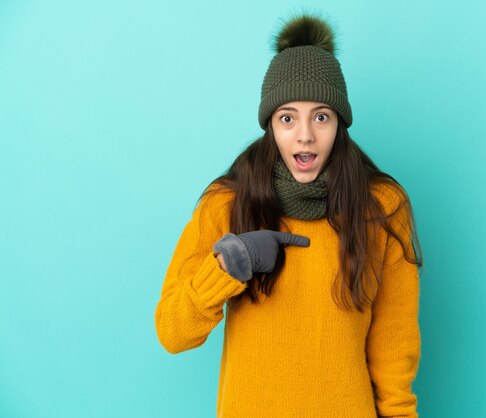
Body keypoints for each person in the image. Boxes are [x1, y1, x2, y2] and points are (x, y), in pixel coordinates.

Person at [155, 13, 424, 418]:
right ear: (270, 126)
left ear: (339, 123)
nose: (304, 135)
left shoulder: (381, 207)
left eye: (321, 116)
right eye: (287, 118)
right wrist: (227, 265)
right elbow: (172, 332)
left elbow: (394, 344)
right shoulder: (226, 204)